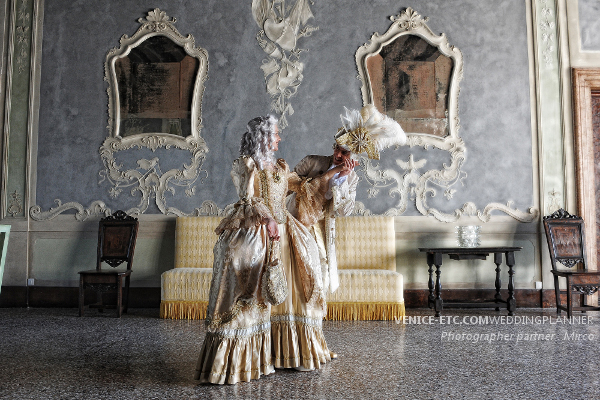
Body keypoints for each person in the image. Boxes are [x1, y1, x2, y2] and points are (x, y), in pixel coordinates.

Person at [195, 115, 346, 384]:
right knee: (251, 295)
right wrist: (267, 220)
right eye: (275, 134)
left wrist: (334, 172)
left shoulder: (280, 166)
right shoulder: (246, 165)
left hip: (287, 235)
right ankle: (241, 362)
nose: (279, 139)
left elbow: (301, 186)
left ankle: (294, 353)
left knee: (296, 288)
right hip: (260, 233)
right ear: (264, 137)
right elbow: (248, 199)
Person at [289, 104, 406, 324]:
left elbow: (343, 211)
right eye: (337, 149)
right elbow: (288, 186)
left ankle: (311, 323)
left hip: (322, 230)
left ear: (353, 155)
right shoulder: (311, 162)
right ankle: (290, 318)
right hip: (296, 222)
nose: (339, 155)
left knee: (319, 272)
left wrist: (342, 180)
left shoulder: (351, 179)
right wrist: (330, 174)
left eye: (345, 153)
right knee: (294, 270)